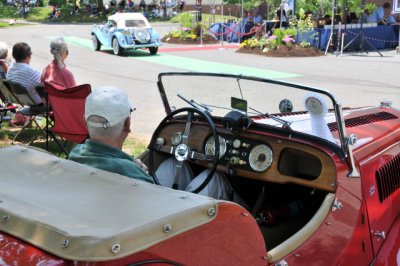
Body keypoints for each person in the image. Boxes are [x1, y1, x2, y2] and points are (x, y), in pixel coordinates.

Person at [69, 86, 247, 206]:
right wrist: (133, 169)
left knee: (173, 165)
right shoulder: (131, 174)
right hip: (166, 224)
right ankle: (252, 220)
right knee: (214, 177)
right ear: (127, 125)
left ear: (85, 124)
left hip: (116, 207)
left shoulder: (75, 156)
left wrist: (132, 165)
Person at [69, 86, 154, 183]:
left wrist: (132, 167)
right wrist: (138, 172)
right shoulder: (136, 176)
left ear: (84, 123)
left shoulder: (75, 154)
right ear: (127, 124)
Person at [6, 42, 44, 114]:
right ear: (29, 56)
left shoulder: (10, 69)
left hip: (24, 102)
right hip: (40, 106)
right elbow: (46, 86)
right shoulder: (32, 73)